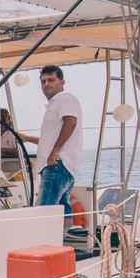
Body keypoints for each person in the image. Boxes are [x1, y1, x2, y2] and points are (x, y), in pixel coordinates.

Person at [19, 65, 82, 218]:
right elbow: (50, 139)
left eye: (51, 80)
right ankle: (63, 239)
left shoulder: (64, 98)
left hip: (56, 166)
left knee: (44, 214)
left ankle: (45, 241)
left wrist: (54, 152)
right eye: (43, 81)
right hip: (62, 167)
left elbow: (70, 122)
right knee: (62, 213)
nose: (46, 84)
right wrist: (26, 138)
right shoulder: (56, 103)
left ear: (62, 82)